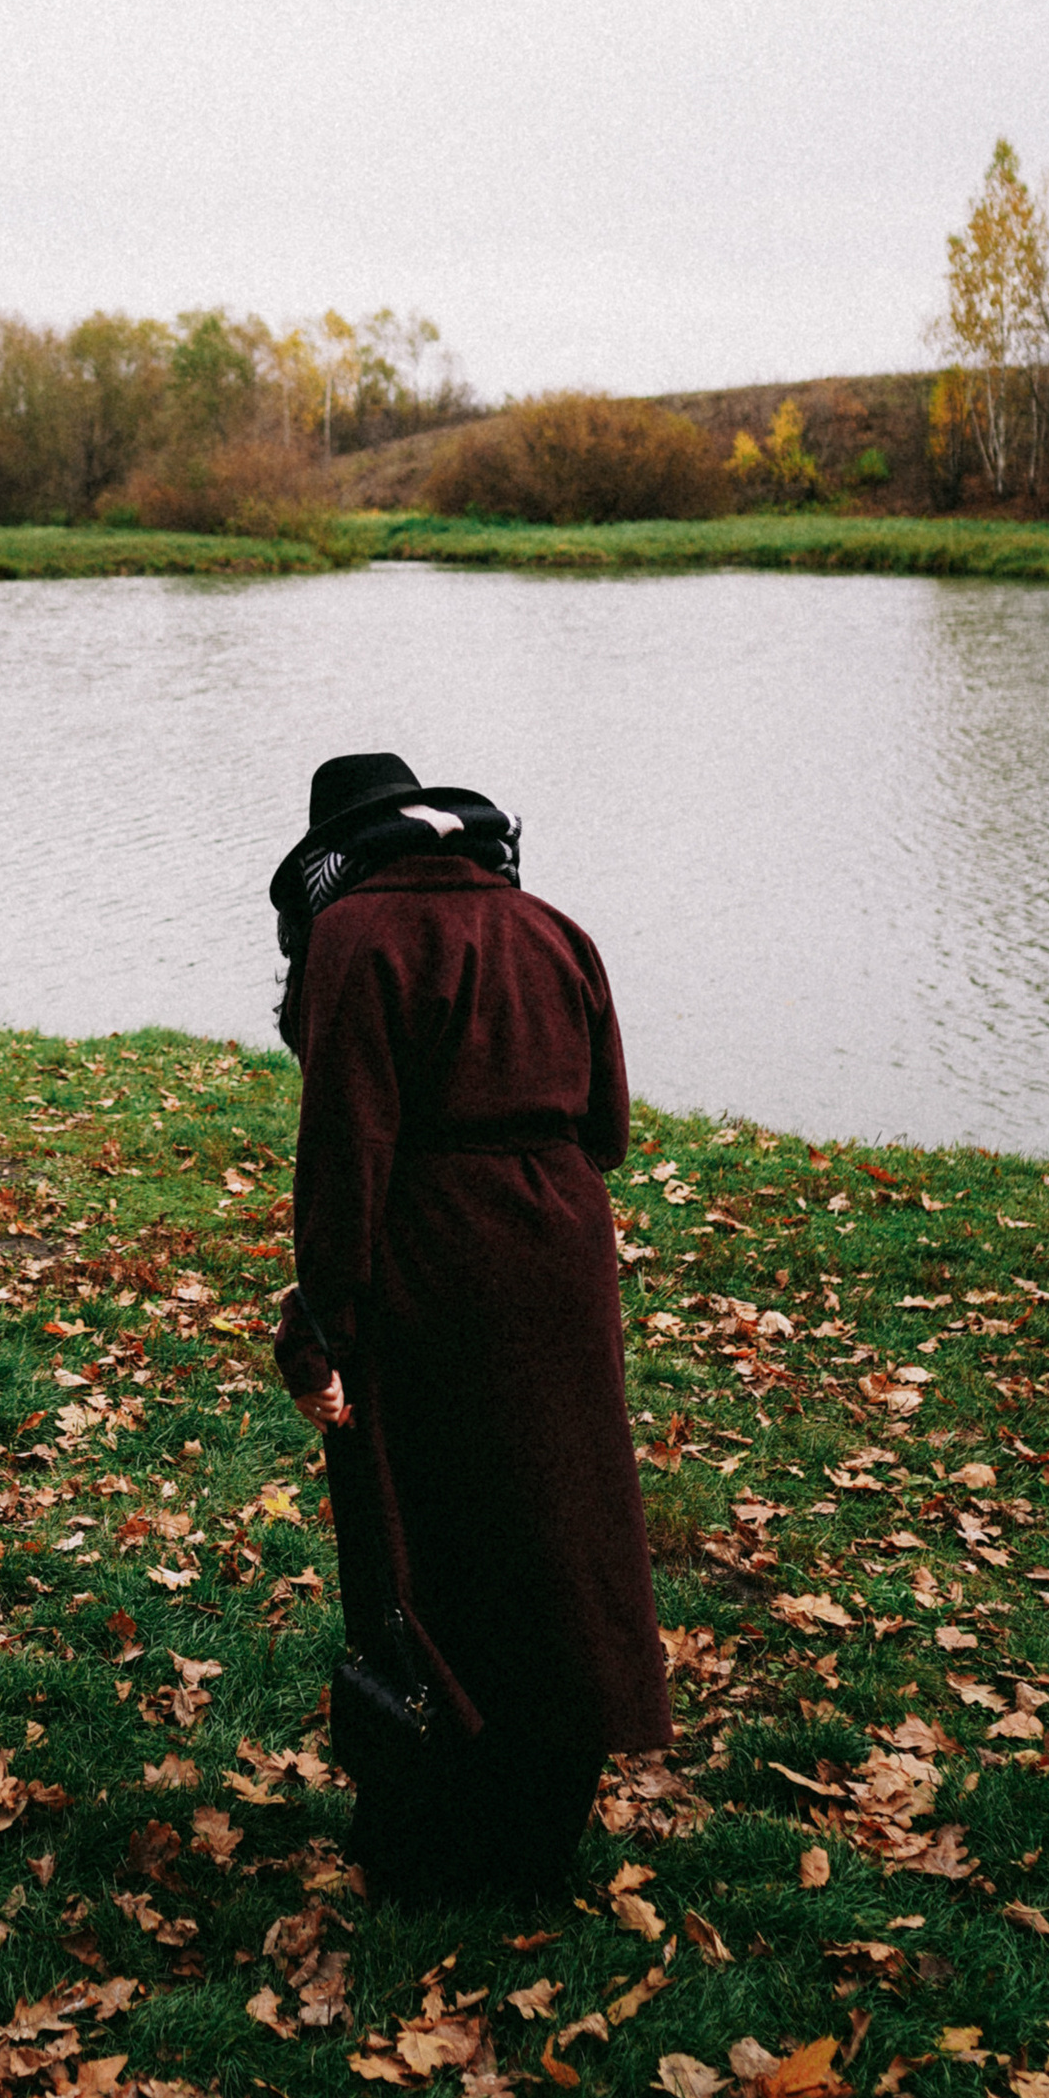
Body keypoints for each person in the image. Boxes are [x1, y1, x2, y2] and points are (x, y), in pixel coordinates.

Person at [269, 750, 670, 1901]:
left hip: (435, 1250)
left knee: (431, 1533)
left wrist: (320, 1330)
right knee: (560, 1522)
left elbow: (346, 1157)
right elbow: (608, 1128)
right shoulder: (553, 925)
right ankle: (541, 1826)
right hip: (562, 1249)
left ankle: (434, 1832)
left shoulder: (355, 937)